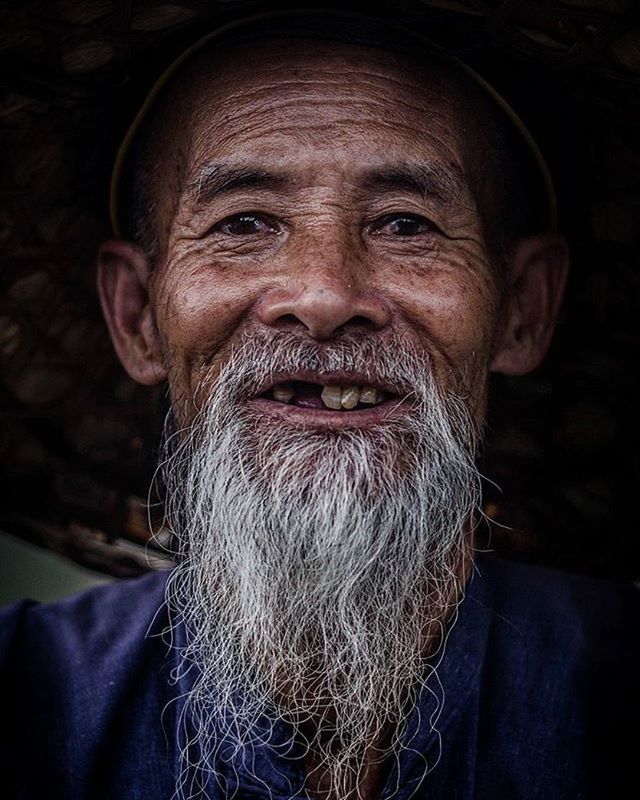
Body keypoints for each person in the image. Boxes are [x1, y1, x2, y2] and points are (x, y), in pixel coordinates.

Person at [0, 10, 636, 800]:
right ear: (136, 316)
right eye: (244, 223)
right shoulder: (23, 701)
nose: (325, 296)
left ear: (523, 309)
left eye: (406, 224)